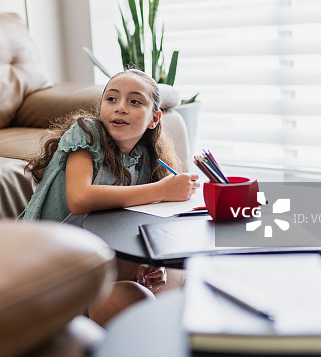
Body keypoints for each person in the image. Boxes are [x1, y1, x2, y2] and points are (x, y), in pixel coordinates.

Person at [19, 68, 200, 325]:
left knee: (175, 267)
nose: (120, 108)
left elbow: (136, 224)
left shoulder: (146, 157)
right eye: (111, 99)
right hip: (53, 266)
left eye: (135, 101)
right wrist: (161, 190)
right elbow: (79, 199)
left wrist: (148, 264)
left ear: (154, 119)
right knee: (137, 300)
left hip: (99, 258)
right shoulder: (87, 132)